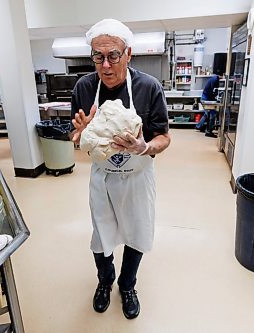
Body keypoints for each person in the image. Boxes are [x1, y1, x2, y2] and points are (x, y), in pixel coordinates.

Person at [70, 18, 171, 319]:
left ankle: (127, 285)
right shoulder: (85, 88)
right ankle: (105, 280)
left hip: (138, 176)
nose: (105, 65)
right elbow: (75, 139)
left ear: (129, 54)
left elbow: (164, 136)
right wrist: (80, 136)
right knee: (101, 235)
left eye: (113, 55)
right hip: (103, 176)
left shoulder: (148, 87)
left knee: (136, 231)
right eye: (98, 57)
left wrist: (145, 147)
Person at [195, 69, 223, 138]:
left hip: (207, 98)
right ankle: (208, 131)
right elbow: (213, 91)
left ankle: (199, 126)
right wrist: (216, 97)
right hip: (206, 99)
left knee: (207, 114)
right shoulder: (214, 80)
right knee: (211, 114)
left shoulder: (215, 79)